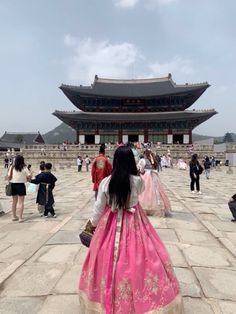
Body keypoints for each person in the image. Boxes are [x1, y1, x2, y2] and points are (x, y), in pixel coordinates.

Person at [78, 145, 184, 314]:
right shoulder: (137, 181)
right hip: (134, 221)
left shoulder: (106, 182)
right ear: (130, 162)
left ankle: (103, 298)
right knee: (143, 256)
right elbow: (139, 193)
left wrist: (92, 224)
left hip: (110, 222)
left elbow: (98, 209)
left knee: (105, 257)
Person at [137, 150, 172, 217]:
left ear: (144, 154)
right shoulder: (153, 160)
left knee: (144, 191)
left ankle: (145, 207)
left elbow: (141, 169)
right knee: (155, 192)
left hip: (146, 175)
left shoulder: (143, 160)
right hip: (153, 175)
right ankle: (155, 206)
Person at [8, 155, 31, 222]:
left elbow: (9, 176)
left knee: (14, 202)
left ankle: (14, 216)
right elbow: (29, 176)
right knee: (21, 202)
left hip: (13, 185)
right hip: (21, 185)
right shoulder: (24, 167)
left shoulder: (12, 167)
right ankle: (20, 218)